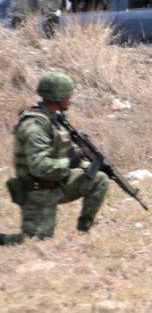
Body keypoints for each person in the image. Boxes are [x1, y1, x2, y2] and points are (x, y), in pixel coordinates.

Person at [1, 72, 108, 245]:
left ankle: (82, 232)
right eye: (68, 96)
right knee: (36, 240)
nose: (70, 99)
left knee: (99, 179)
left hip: (57, 182)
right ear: (57, 97)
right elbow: (39, 166)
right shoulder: (34, 126)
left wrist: (87, 164)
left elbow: (62, 154)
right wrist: (69, 162)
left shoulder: (54, 120)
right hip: (36, 190)